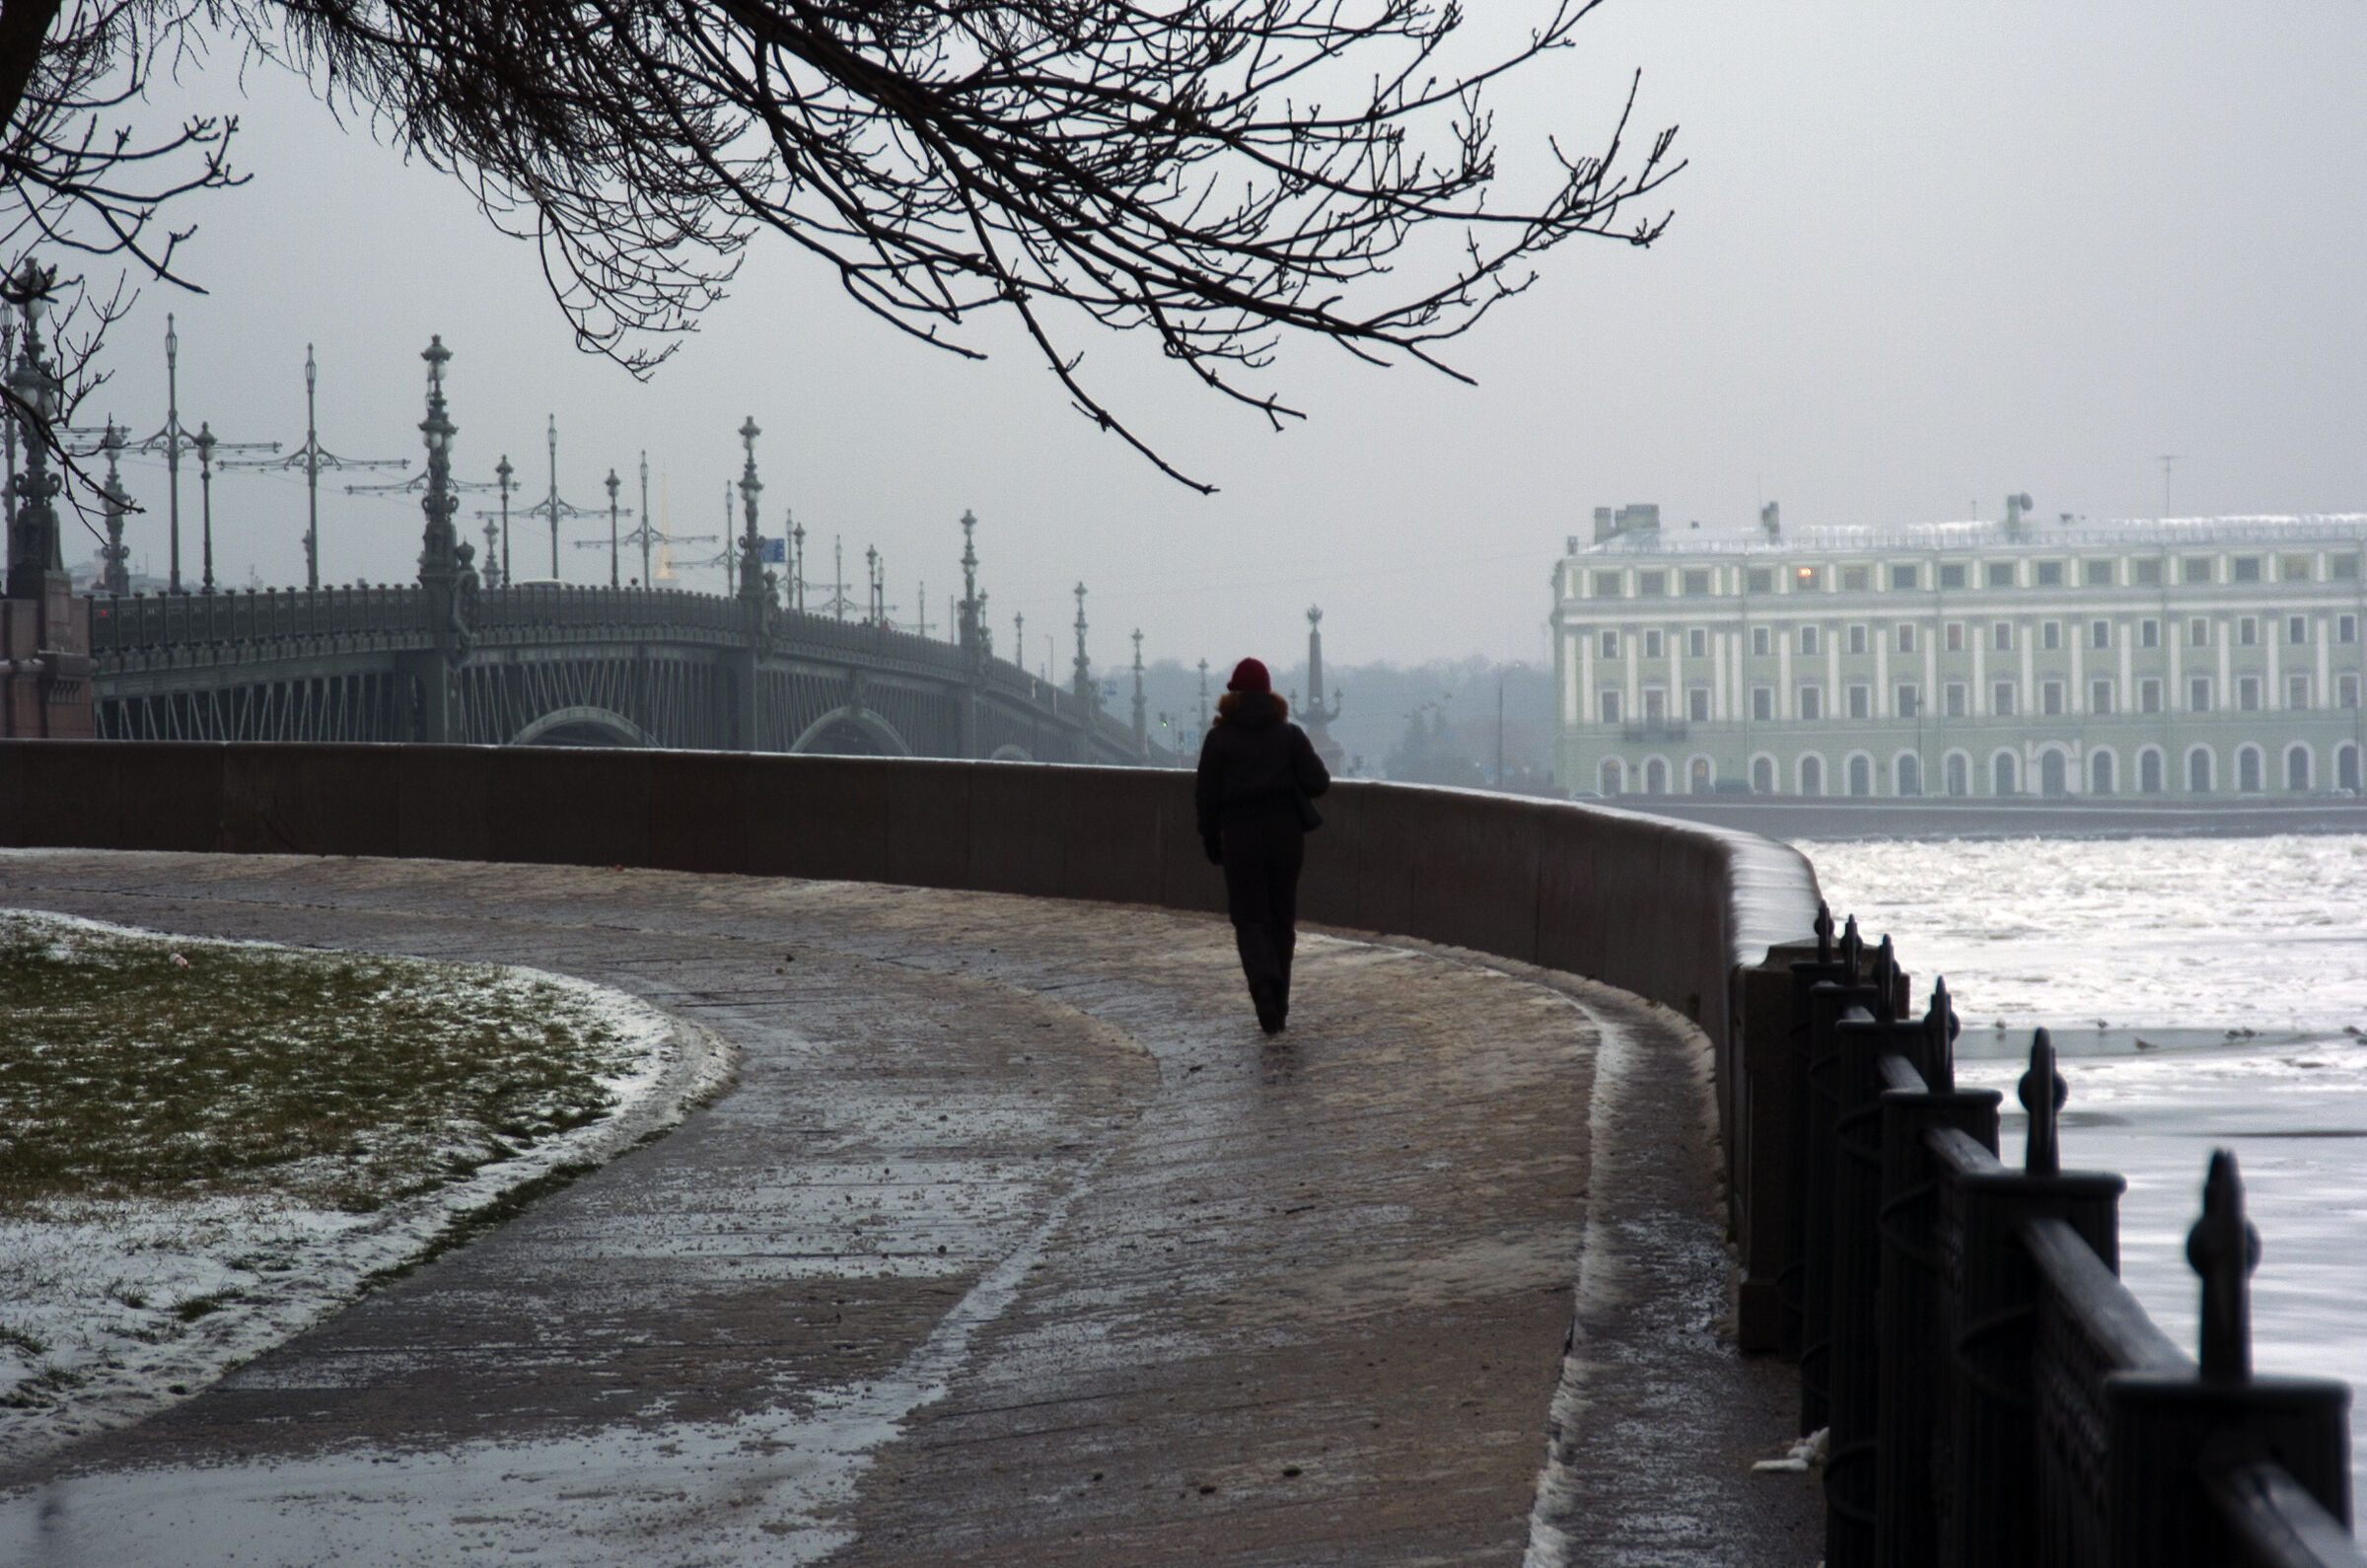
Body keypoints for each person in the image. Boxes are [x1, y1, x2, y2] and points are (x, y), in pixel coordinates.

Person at [1194, 657, 1330, 1033]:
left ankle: (1262, 988)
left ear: (1233, 696)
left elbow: (1205, 796)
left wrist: (1210, 838)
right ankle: (1280, 1005)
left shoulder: (1219, 740)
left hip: (1241, 837)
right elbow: (1319, 782)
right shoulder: (1290, 736)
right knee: (1282, 919)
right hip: (1286, 836)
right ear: (1271, 695)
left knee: (1250, 918)